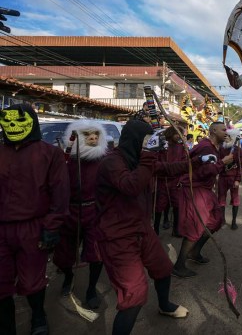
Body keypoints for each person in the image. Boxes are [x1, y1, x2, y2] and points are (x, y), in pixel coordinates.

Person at [95, 121, 197, 334]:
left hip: (142, 229)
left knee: (163, 268)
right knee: (134, 294)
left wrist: (195, 161)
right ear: (134, 139)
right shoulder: (111, 162)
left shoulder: (139, 159)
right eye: (146, 140)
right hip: (118, 236)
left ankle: (164, 305)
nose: (150, 144)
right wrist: (149, 155)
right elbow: (131, 186)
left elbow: (166, 168)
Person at [0, 104, 70, 335]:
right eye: (7, 121)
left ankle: (38, 318)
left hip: (33, 228)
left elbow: (60, 194)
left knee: (32, 280)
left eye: (18, 121)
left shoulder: (51, 154)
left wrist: (51, 227)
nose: (13, 126)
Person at [53, 120, 108, 310]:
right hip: (70, 211)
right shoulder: (64, 159)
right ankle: (68, 277)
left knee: (96, 253)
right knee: (63, 254)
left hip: (94, 211)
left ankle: (91, 288)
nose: (93, 138)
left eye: (96, 134)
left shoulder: (103, 161)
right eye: (87, 134)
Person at [172, 122, 234, 278]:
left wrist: (226, 159)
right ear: (213, 130)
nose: (227, 132)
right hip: (195, 189)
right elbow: (205, 172)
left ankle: (195, 251)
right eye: (223, 130)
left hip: (205, 190)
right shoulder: (206, 147)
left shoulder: (213, 147)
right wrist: (223, 162)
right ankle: (179, 266)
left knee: (216, 220)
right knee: (195, 227)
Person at [218, 129, 242, 230]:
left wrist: (238, 179)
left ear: (233, 138)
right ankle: (222, 220)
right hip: (222, 178)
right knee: (221, 198)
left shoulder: (238, 150)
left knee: (235, 199)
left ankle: (234, 221)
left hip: (233, 178)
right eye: (225, 136)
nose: (225, 137)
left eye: (228, 136)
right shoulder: (220, 149)